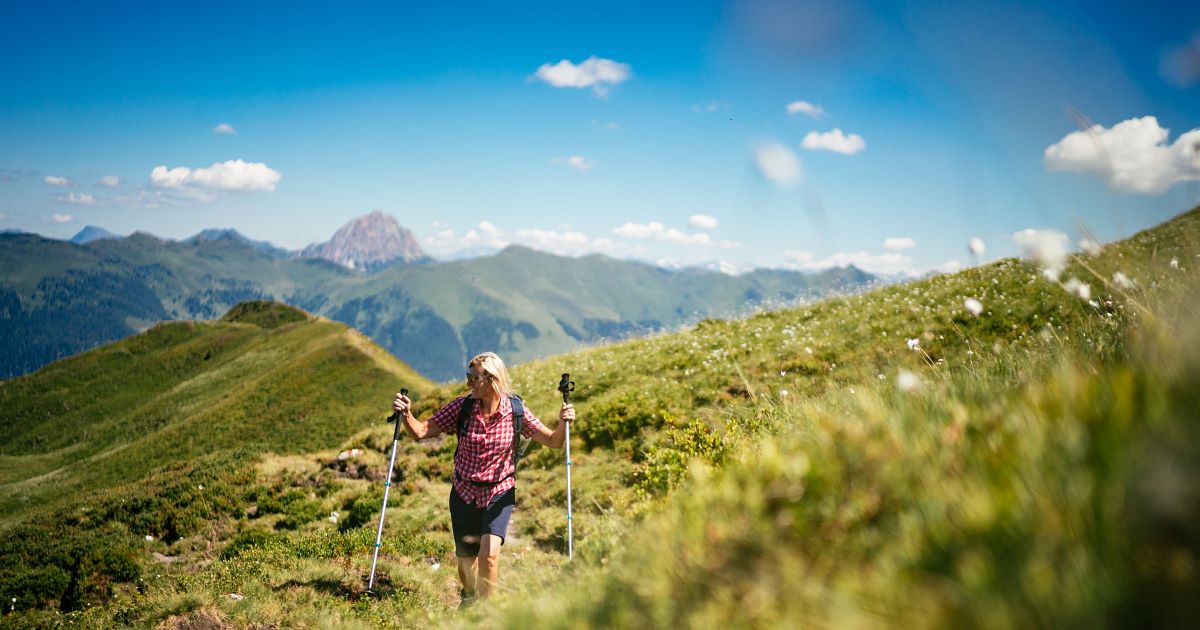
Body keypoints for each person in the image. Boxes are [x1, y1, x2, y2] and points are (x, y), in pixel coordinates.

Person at [391, 351, 575, 604]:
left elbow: (554, 442)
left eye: (474, 378)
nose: (468, 383)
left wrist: (563, 423)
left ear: (493, 379)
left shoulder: (516, 411)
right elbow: (421, 432)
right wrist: (407, 413)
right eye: (469, 376)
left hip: (499, 493)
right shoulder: (462, 407)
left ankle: (486, 615)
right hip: (464, 493)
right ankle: (468, 598)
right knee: (467, 564)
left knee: (489, 555)